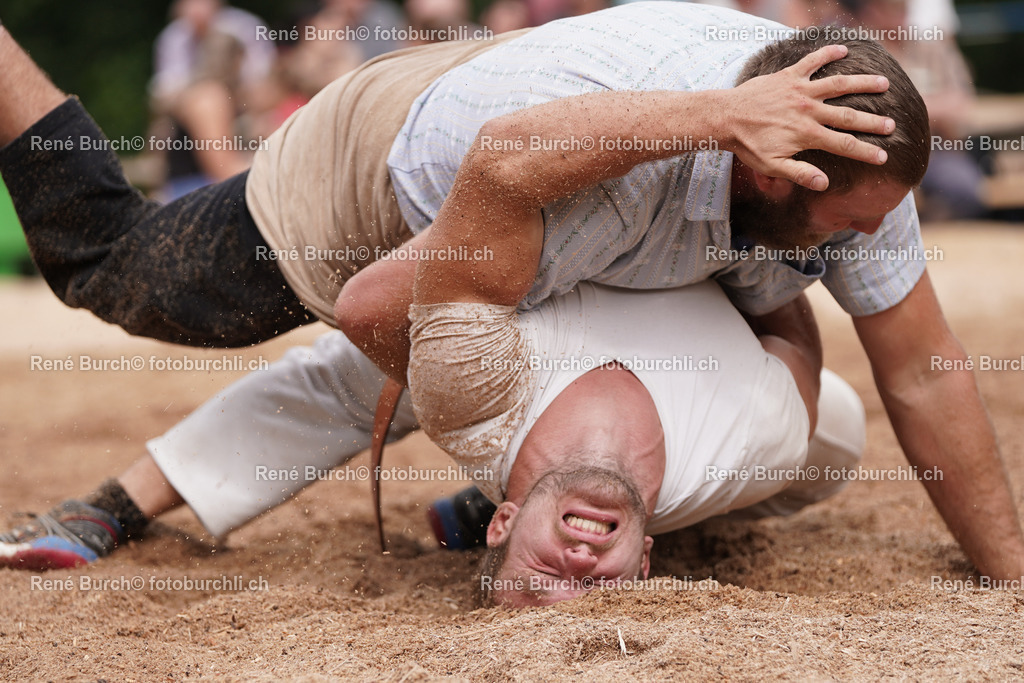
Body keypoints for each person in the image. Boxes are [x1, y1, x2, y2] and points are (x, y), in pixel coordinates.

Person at [0, 3, 1020, 584]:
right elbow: (380, 306)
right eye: (850, 223)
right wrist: (506, 446)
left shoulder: (846, 155)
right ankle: (119, 498)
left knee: (788, 409)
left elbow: (924, 375)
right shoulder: (601, 187)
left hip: (572, 118)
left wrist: (1009, 570)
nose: (873, 241)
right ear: (773, 170)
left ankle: (512, 476)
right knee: (121, 271)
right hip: (381, 173)